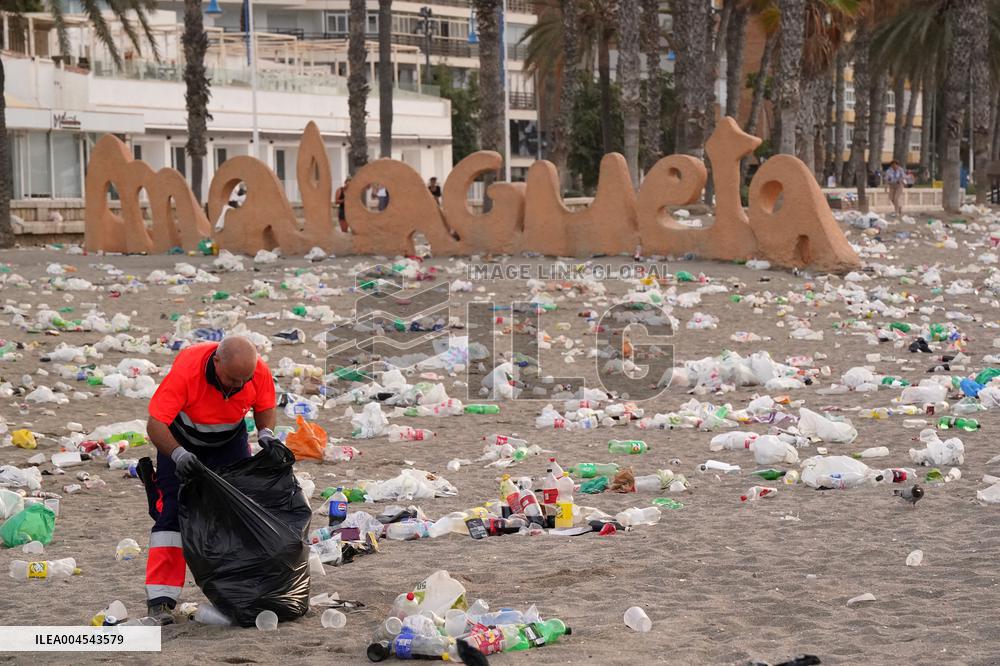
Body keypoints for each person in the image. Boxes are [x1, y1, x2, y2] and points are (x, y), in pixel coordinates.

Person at [143, 336, 277, 625]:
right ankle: (160, 600)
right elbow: (155, 423)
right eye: (231, 379)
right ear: (216, 361)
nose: (238, 386)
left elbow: (264, 405)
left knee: (235, 513)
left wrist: (266, 433)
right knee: (172, 515)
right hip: (179, 440)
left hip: (229, 441)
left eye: (244, 380)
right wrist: (178, 454)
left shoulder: (256, 372)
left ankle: (238, 596)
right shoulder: (187, 371)